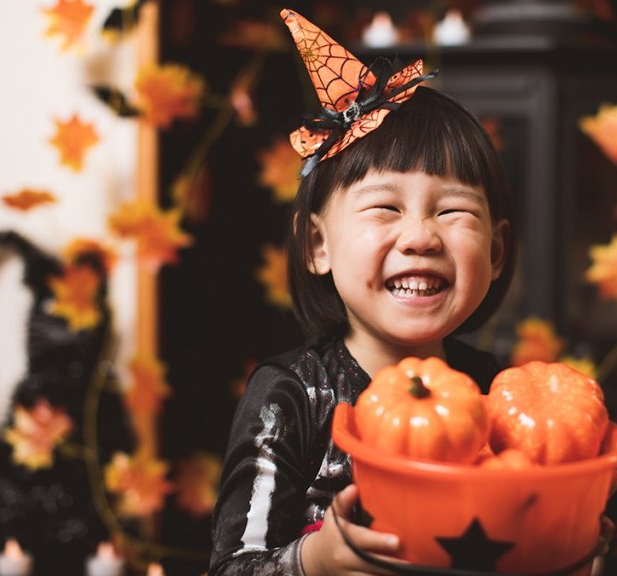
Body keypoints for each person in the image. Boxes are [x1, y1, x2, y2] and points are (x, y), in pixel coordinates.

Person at [208, 9, 517, 576]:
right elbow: (233, 567)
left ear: (495, 253)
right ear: (316, 245)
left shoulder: (495, 396)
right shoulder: (292, 398)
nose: (421, 236)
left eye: (452, 210)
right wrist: (317, 559)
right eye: (385, 208)